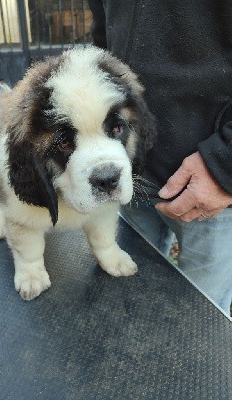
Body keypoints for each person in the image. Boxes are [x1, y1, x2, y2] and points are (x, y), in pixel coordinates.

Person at [88, 0, 232, 317]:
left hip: (209, 183)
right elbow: (104, 38)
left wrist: (225, 165)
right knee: (130, 300)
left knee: (200, 325)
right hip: (128, 173)